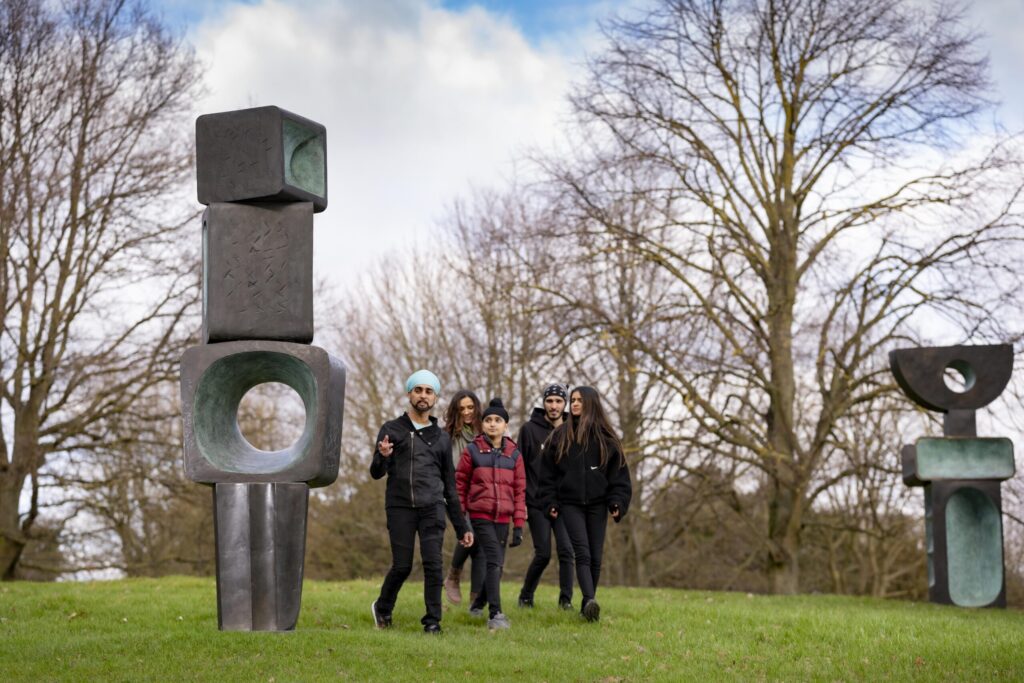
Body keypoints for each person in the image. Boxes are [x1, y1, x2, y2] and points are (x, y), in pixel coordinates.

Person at [369, 370, 474, 634]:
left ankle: (432, 621)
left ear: (435, 397)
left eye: (429, 391)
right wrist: (382, 456)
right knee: (402, 565)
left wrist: (462, 527)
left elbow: (450, 486)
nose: (423, 395)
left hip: (432, 508)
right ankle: (382, 607)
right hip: (400, 507)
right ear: (409, 394)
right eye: (418, 390)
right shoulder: (392, 430)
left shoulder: (441, 438)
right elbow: (376, 472)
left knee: (433, 565)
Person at [538, 386, 631, 622]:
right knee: (582, 552)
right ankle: (590, 599)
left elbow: (619, 477)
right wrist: (550, 502)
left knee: (596, 557)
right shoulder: (559, 437)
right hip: (570, 504)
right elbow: (547, 476)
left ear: (591, 403)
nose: (575, 404)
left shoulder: (608, 439)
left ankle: (587, 606)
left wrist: (617, 501)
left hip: (598, 504)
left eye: (579, 400)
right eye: (573, 400)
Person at [455, 398, 526, 630]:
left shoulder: (514, 454)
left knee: (498, 565)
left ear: (506, 425)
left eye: (498, 420)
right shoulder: (472, 450)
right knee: (494, 560)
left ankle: (477, 604)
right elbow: (460, 486)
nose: (492, 424)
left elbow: (519, 490)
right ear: (482, 424)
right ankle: (495, 614)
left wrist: (518, 524)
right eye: (488, 420)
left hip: (503, 518)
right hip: (480, 516)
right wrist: (462, 520)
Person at [517, 383, 575, 609]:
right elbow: (519, 467)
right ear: (543, 403)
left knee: (567, 551)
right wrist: (520, 501)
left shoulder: (573, 429)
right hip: (536, 501)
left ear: (565, 404)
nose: (553, 405)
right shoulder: (529, 430)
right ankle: (526, 595)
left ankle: (566, 601)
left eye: (558, 401)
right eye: (549, 401)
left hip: (564, 503)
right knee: (543, 553)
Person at [442, 390, 484, 605]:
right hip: (456, 494)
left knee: (481, 546)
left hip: (481, 494)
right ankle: (453, 576)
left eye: (470, 407)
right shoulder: (447, 436)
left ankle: (475, 602)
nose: (467, 412)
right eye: (462, 409)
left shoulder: (485, 432)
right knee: (470, 535)